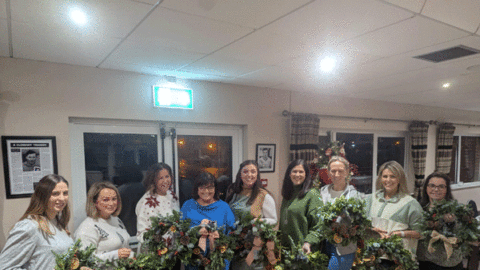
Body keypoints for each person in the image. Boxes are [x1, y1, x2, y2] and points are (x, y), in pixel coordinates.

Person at [0, 174, 74, 269]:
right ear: (43, 196)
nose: (62, 198)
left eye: (65, 193)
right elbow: (4, 266)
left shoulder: (59, 224)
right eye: (55, 194)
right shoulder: (29, 226)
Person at [365, 161, 423, 267]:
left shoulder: (410, 204)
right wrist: (373, 230)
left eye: (392, 176)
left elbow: (420, 232)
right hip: (372, 256)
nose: (388, 180)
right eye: (385, 176)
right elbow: (362, 224)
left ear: (399, 179)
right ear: (380, 178)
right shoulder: (370, 199)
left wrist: (399, 234)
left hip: (396, 260)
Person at [226, 160, 277, 270]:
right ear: (240, 174)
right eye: (245, 171)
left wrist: (258, 222)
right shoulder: (234, 193)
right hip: (235, 246)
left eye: (253, 171)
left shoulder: (263, 195)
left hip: (253, 246)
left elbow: (274, 220)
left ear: (257, 174)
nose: (249, 175)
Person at [181, 172, 236, 270]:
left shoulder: (224, 207)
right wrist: (197, 231)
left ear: (215, 189)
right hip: (194, 261)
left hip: (218, 262)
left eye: (210, 187)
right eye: (202, 187)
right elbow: (180, 230)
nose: (206, 191)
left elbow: (232, 232)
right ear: (196, 189)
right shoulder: (187, 206)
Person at [320, 156, 363, 270]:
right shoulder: (323, 192)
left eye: (340, 171)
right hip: (324, 244)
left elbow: (357, 222)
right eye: (333, 171)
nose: (337, 174)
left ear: (347, 172)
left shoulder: (354, 195)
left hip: (344, 246)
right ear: (328, 172)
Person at [74, 181, 132, 262]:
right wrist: (115, 255)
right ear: (94, 202)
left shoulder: (116, 220)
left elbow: (125, 245)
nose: (111, 203)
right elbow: (85, 260)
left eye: (114, 199)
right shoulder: (87, 227)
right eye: (105, 200)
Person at [416, 172, 463, 270]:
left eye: (441, 186)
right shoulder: (420, 207)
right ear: (426, 188)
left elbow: (462, 234)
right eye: (432, 185)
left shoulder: (454, 209)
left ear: (447, 189)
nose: (436, 189)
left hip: (447, 263)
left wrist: (450, 223)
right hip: (424, 260)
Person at [279, 159, 323, 259]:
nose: (297, 174)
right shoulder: (287, 195)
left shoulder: (312, 194)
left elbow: (319, 224)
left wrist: (308, 243)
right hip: (287, 251)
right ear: (289, 174)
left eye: (301, 172)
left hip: (304, 251)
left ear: (306, 175)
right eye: (294, 171)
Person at [135, 163, 180, 247]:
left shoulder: (172, 196)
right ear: (153, 180)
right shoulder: (147, 202)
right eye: (160, 178)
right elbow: (142, 234)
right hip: (155, 251)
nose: (165, 181)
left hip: (173, 250)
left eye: (167, 176)